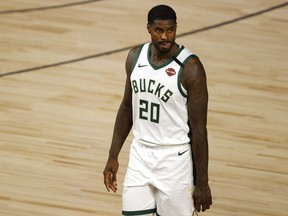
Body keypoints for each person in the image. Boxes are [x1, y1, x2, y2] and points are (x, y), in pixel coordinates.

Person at [103, 4, 212, 216]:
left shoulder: (191, 69)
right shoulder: (135, 57)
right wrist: (113, 155)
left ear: (176, 28)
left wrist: (203, 182)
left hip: (174, 159)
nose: (165, 36)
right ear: (149, 28)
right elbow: (127, 107)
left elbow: (200, 131)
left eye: (170, 30)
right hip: (140, 154)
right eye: (159, 30)